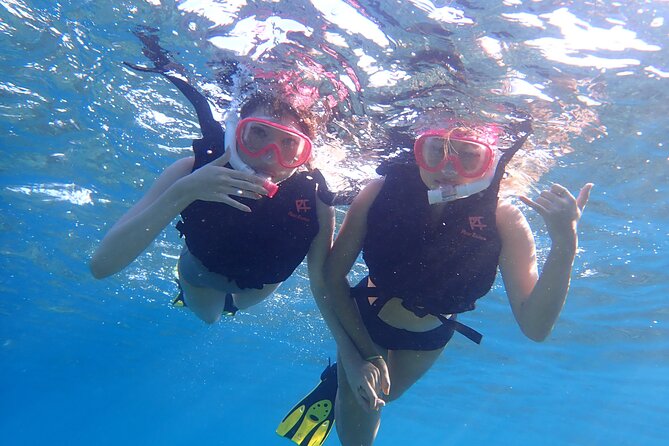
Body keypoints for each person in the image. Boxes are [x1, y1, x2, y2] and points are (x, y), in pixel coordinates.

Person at [322, 119, 593, 445]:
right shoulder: (379, 192)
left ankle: (339, 379)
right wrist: (357, 358)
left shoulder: (503, 217)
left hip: (433, 331)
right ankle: (345, 381)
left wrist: (565, 241)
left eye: (468, 156)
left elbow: (535, 328)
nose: (448, 168)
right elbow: (331, 277)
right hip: (366, 314)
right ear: (417, 151)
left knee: (385, 395)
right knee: (361, 399)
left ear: (490, 162)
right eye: (436, 151)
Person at [89, 66, 335, 325]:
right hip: (200, 275)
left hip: (257, 286)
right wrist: (186, 191)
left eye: (289, 144)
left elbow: (322, 284)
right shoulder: (192, 171)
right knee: (210, 318)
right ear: (235, 133)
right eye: (258, 134)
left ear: (304, 156)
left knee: (239, 307)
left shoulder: (317, 199)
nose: (269, 156)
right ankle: (184, 287)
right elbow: (101, 266)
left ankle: (230, 303)